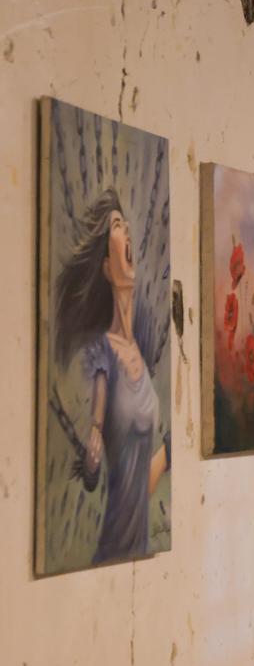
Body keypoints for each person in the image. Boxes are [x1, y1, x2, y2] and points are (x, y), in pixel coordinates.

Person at [54, 188, 170, 563]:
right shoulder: (101, 353)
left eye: (125, 223)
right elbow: (97, 433)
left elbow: (140, 485)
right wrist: (91, 457)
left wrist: (172, 453)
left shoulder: (141, 348)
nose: (128, 231)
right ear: (106, 266)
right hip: (113, 551)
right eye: (117, 226)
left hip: (139, 554)